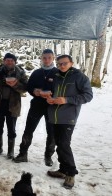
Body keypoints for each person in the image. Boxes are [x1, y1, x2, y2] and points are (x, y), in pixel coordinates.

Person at [45, 54, 93, 189]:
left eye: (64, 63)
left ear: (71, 63)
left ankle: (71, 173)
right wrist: (50, 98)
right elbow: (53, 92)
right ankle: (62, 170)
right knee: (59, 144)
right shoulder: (56, 75)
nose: (61, 66)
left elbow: (88, 95)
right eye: (59, 63)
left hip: (68, 117)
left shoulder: (79, 77)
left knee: (64, 145)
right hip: (54, 115)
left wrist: (67, 100)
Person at [13, 49, 58, 166]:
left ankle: (48, 156)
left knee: (52, 132)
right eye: (44, 58)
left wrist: (52, 94)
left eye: (49, 57)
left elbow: (61, 89)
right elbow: (29, 86)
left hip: (52, 106)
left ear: (53, 58)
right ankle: (23, 153)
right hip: (37, 104)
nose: (46, 60)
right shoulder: (36, 72)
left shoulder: (58, 73)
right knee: (29, 129)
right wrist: (35, 91)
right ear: (41, 58)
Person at [0, 53, 28, 159]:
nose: (9, 62)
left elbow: (26, 88)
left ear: (15, 62)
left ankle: (10, 151)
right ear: (4, 61)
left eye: (11, 60)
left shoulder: (20, 72)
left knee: (11, 128)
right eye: (7, 60)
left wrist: (15, 85)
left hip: (13, 104)